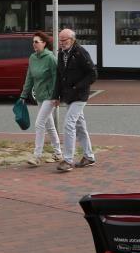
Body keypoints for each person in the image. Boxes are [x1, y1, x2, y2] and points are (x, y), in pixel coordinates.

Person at [55, 28, 97, 172]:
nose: (61, 43)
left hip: (80, 95)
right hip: (69, 96)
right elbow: (59, 76)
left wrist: (77, 86)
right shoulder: (61, 54)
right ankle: (89, 156)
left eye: (64, 40)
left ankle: (67, 160)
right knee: (80, 126)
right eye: (60, 40)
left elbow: (93, 74)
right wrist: (57, 96)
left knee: (69, 124)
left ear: (72, 40)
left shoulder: (80, 53)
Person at [20, 31, 63, 166]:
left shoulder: (50, 58)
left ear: (44, 43)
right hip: (39, 95)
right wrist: (23, 94)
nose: (34, 44)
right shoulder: (33, 58)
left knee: (39, 124)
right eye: (33, 42)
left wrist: (57, 96)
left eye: (37, 42)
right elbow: (30, 77)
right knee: (49, 126)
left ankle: (36, 156)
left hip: (50, 96)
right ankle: (58, 153)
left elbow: (57, 78)